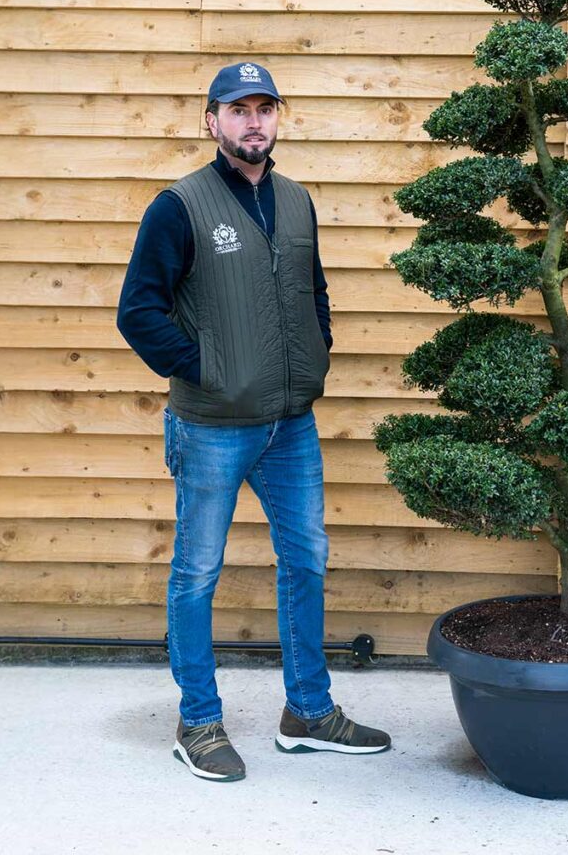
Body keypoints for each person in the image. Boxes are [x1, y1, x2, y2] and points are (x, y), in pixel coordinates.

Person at [117, 61, 391, 782]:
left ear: (278, 119)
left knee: (305, 559)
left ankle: (307, 712)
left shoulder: (298, 202)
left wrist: (317, 350)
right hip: (212, 425)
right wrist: (210, 367)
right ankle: (198, 722)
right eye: (237, 110)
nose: (253, 122)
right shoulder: (178, 207)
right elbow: (138, 311)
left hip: (289, 425)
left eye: (264, 108)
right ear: (211, 121)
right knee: (197, 572)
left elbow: (313, 291)